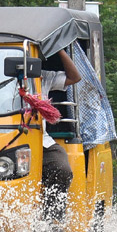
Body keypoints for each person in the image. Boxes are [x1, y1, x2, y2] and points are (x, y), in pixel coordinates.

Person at [39, 49, 81, 220]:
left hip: (39, 139)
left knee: (62, 168)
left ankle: (52, 219)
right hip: (3, 139)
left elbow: (75, 77)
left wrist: (59, 50)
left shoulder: (43, 77)